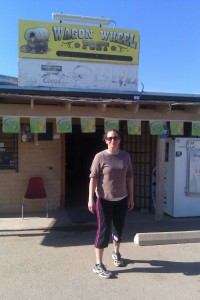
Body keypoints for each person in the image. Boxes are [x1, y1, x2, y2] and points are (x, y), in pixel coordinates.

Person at [88, 129, 134, 278]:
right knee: (104, 230)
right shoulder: (100, 157)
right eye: (110, 138)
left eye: (115, 138)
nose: (113, 140)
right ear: (105, 140)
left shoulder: (125, 156)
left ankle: (116, 253)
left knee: (118, 229)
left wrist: (131, 197)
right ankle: (98, 264)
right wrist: (91, 199)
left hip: (121, 199)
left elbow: (130, 177)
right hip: (104, 200)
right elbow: (93, 178)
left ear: (119, 140)